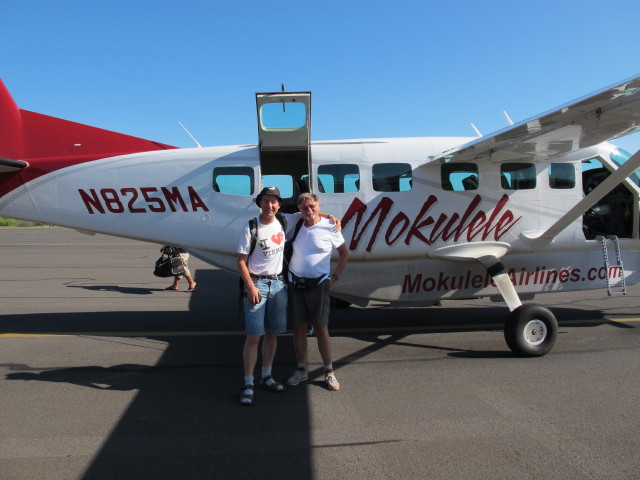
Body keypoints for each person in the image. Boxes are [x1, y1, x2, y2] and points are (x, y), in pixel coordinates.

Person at [237, 186, 340, 406]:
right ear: (260, 202)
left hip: (280, 284)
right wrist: (251, 287)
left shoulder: (285, 221)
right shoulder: (251, 227)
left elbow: (309, 211)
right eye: (266, 201)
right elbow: (240, 260)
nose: (270, 205)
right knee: (255, 335)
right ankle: (248, 383)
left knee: (274, 332)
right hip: (258, 284)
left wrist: (330, 217)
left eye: (274, 201)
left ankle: (267, 376)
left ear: (279, 205)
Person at [286, 193, 348, 391]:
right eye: (304, 208)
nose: (309, 210)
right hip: (296, 284)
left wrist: (334, 278)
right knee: (299, 329)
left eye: (312, 206)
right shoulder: (296, 223)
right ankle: (301, 370)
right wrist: (329, 214)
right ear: (299, 209)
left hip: (319, 285)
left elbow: (344, 253)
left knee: (321, 329)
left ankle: (329, 372)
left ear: (318, 205)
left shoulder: (331, 227)